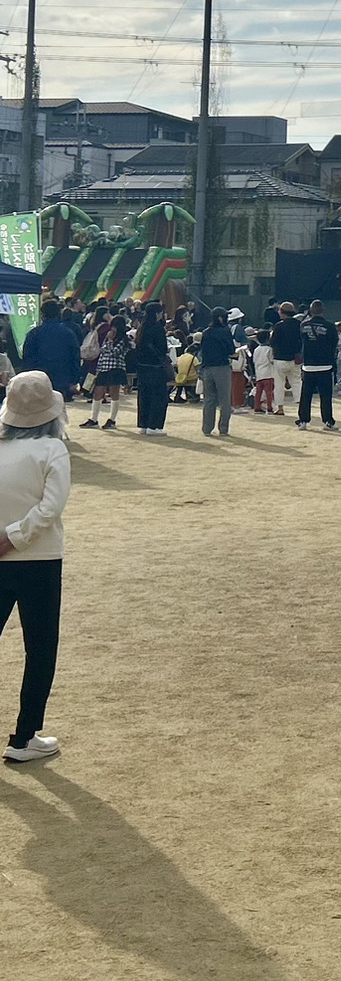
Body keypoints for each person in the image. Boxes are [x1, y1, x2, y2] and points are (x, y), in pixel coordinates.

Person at [0, 372, 70, 762]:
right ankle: (24, 737)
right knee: (40, 649)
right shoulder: (52, 449)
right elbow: (50, 507)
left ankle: (26, 737)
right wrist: (15, 537)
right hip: (39, 559)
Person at [20, 302, 81, 402]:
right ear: (59, 314)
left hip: (38, 377)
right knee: (58, 408)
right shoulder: (68, 333)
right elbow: (75, 356)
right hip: (62, 377)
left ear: (42, 315)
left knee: (39, 408)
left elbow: (27, 357)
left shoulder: (34, 333)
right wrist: (74, 379)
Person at [297, 299, 339, 431]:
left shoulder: (304, 325)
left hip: (308, 364)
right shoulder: (330, 327)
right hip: (325, 364)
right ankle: (327, 421)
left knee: (306, 395)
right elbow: (334, 344)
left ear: (310, 311)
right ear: (323, 311)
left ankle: (303, 420)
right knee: (325, 396)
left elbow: (301, 342)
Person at [78, 319, 128, 430]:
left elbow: (115, 352)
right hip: (103, 368)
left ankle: (112, 419)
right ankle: (94, 418)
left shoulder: (124, 340)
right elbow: (102, 352)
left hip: (116, 368)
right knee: (97, 393)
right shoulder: (107, 338)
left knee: (114, 393)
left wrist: (110, 341)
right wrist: (98, 369)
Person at [133, 303, 173, 433]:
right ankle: (154, 426)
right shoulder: (158, 328)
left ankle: (143, 425)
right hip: (156, 367)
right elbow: (162, 348)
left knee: (144, 396)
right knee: (159, 397)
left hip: (142, 367)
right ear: (157, 313)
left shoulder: (142, 328)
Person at [269, 302, 303, 413]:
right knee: (297, 382)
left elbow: (273, 342)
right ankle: (300, 406)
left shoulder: (279, 326)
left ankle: (280, 408)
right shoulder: (299, 325)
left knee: (279, 384)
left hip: (280, 359)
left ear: (283, 313)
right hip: (295, 358)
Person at [251, 333, 274, 412]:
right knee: (269, 392)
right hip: (268, 373)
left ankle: (257, 407)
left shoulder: (256, 349)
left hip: (259, 373)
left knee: (258, 392)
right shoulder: (269, 349)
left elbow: (254, 361)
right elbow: (271, 360)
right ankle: (269, 407)